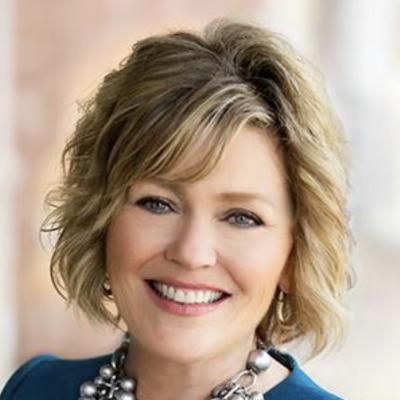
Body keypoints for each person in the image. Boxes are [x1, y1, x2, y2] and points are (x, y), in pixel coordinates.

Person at [0, 18, 354, 400]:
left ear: (294, 255)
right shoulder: (34, 389)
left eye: (242, 217)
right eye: (158, 204)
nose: (191, 252)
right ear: (101, 220)